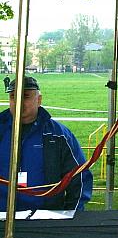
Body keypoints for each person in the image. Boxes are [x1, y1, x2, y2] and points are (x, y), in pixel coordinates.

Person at [0, 76, 92, 211]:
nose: (18, 102)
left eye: (25, 96)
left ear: (39, 100)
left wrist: (72, 214)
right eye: (13, 97)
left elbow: (79, 175)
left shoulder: (59, 135)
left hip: (46, 216)